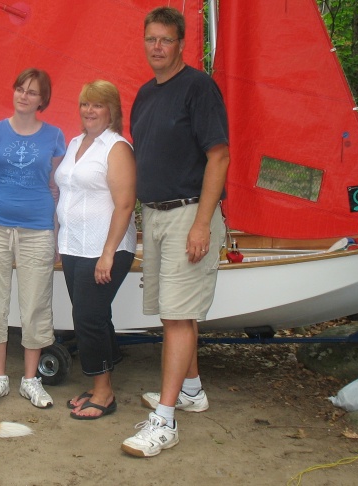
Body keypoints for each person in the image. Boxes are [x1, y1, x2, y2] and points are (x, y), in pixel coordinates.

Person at [121, 7, 229, 457]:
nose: (158, 47)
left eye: (166, 39)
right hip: (156, 215)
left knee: (179, 316)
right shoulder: (145, 94)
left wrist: (202, 223)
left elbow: (219, 156)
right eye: (151, 39)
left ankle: (164, 421)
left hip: (189, 213)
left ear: (182, 43)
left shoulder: (199, 88)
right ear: (144, 42)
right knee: (173, 312)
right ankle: (191, 390)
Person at [0, 68, 66, 409]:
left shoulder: (55, 136)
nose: (24, 95)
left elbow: (56, 187)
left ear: (43, 100)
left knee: (36, 302)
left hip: (38, 228)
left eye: (32, 92)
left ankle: (30, 379)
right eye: (20, 89)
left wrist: (56, 233)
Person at [55, 80, 137, 420]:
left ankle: (104, 393)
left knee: (86, 317)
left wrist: (107, 253)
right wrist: (59, 238)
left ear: (112, 111)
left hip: (105, 249)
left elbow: (125, 204)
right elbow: (66, 193)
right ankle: (100, 380)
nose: (89, 111)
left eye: (97, 105)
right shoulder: (76, 142)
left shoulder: (117, 148)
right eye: (85, 104)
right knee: (94, 315)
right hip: (74, 246)